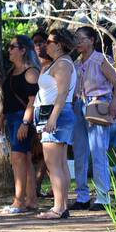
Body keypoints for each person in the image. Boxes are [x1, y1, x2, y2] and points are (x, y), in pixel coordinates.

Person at [71, 25, 116, 210]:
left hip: (98, 105)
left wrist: (113, 104)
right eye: (76, 39)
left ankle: (103, 197)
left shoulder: (101, 59)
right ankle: (82, 196)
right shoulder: (77, 63)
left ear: (92, 40)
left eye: (82, 39)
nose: (78, 42)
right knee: (80, 152)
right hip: (80, 106)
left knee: (98, 151)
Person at [33, 29, 79, 220]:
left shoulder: (62, 64)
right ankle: (62, 206)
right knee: (59, 163)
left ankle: (58, 208)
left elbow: (62, 94)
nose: (46, 45)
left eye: (49, 42)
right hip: (55, 114)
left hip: (56, 115)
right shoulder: (59, 63)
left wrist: (52, 118)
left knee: (54, 165)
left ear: (59, 44)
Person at [1, 35, 41, 214]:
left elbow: (32, 101)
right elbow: (9, 99)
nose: (9, 50)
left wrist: (25, 122)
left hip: (23, 118)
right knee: (24, 158)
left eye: (13, 46)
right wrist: (1, 119)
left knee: (18, 158)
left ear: (23, 50)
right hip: (11, 118)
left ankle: (19, 202)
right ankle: (31, 200)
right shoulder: (11, 71)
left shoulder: (31, 71)